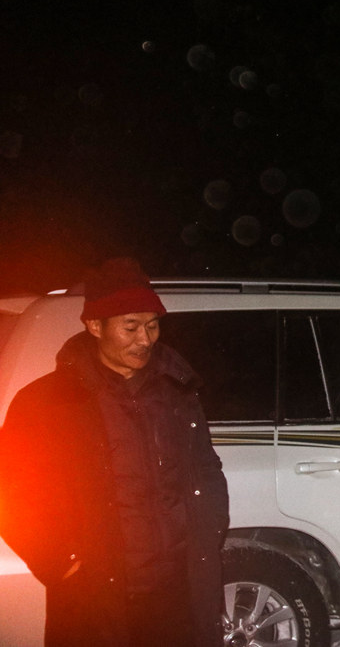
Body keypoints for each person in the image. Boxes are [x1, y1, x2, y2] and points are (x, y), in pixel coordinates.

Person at [0, 257, 230, 647]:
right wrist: (59, 563)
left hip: (178, 594)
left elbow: (205, 468)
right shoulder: (48, 402)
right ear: (95, 326)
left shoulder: (177, 392)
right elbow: (10, 491)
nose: (146, 339)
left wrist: (211, 528)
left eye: (153, 325)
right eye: (131, 327)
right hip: (97, 598)